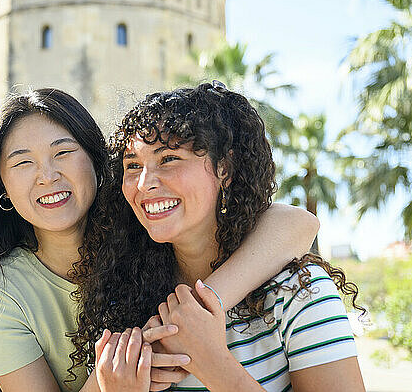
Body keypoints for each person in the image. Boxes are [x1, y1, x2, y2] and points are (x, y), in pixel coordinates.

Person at [0, 88, 320, 392]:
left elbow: (297, 223)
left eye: (64, 153)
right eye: (23, 163)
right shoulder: (1, 294)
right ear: (1, 186)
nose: (46, 176)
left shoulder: (151, 224)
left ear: (98, 160)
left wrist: (197, 312)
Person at [75, 82, 366, 392]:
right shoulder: (125, 300)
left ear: (224, 169)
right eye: (133, 165)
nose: (144, 183)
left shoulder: (296, 294)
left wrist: (213, 364)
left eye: (168, 159)